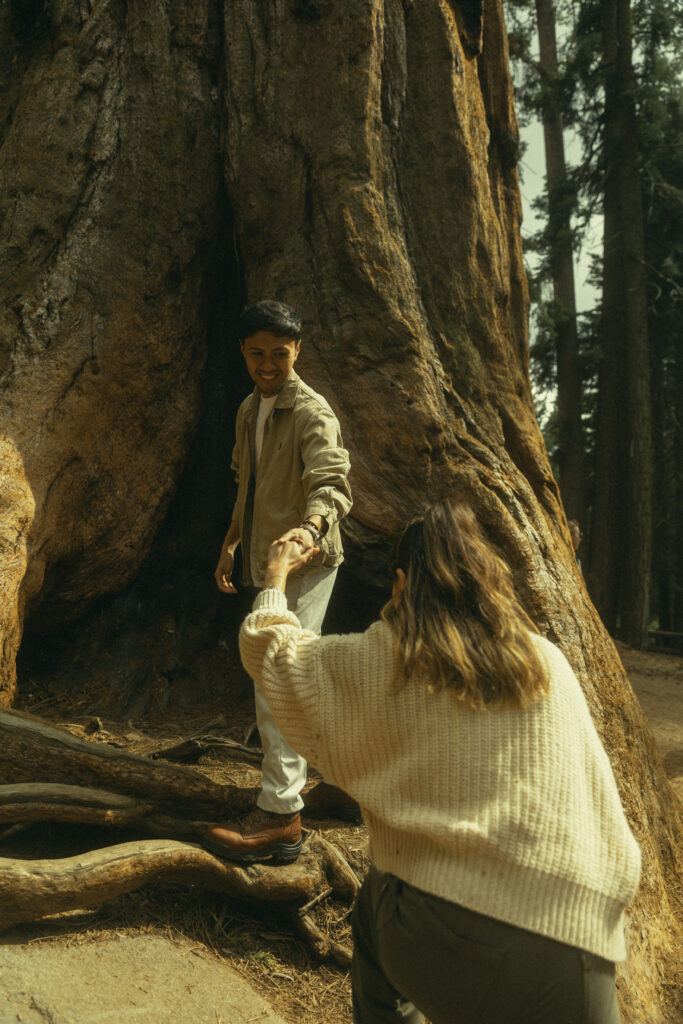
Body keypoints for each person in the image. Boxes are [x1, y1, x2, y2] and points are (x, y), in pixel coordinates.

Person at [207, 499, 641, 1024]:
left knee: (373, 909)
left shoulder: (387, 656)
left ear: (399, 584)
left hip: (433, 934)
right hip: (576, 949)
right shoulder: (544, 661)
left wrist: (275, 576)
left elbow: (269, 651)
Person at [210, 300, 354, 863]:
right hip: (266, 555)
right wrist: (231, 542)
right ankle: (342, 782)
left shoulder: (313, 413)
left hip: (305, 559)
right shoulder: (251, 408)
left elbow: (334, 482)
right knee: (290, 675)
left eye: (280, 353)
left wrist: (308, 529)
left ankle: (280, 817)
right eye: (257, 353)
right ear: (244, 353)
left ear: (298, 350)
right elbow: (246, 482)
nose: (269, 364)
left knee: (279, 676)